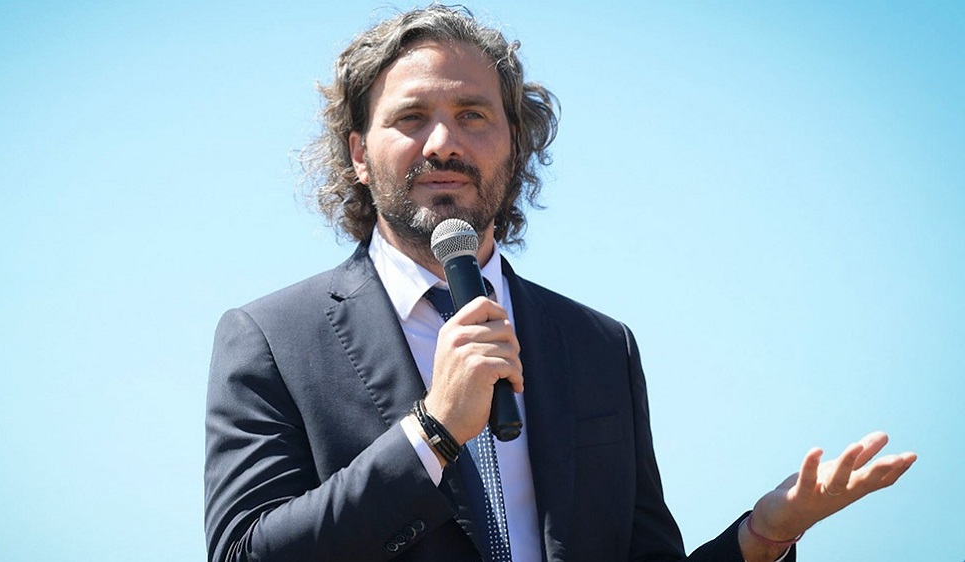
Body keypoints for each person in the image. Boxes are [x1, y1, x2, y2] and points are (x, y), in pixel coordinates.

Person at [203, 6, 916, 562]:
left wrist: (761, 537)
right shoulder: (273, 340)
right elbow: (245, 552)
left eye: (473, 115)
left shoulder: (600, 346)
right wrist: (434, 432)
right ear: (359, 154)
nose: (443, 142)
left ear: (515, 144)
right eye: (412, 118)